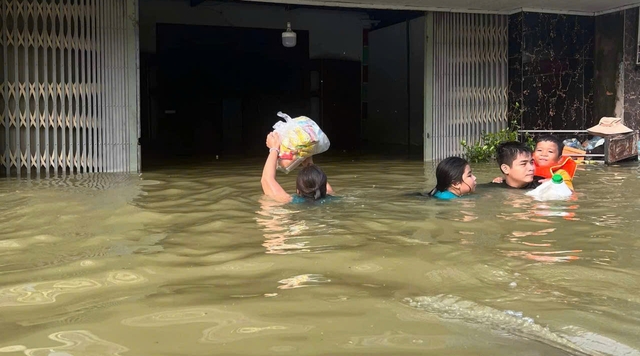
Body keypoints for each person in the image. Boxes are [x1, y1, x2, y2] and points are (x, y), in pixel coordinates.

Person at [261, 131, 334, 203]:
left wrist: (274, 148)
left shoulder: (288, 201)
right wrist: (307, 158)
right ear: (324, 189)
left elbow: (267, 179)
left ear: (298, 191)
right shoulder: (331, 196)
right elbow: (322, 186)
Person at [493, 136, 576, 190]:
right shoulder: (495, 187)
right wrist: (504, 178)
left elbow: (569, 194)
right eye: (539, 150)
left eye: (550, 151)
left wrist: (555, 184)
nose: (544, 154)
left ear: (559, 158)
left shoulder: (560, 175)